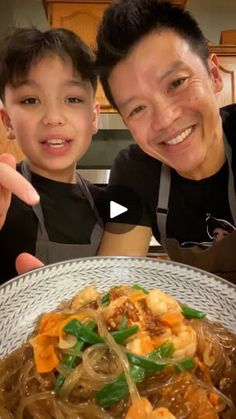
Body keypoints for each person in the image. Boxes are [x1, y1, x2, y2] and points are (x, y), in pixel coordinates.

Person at [96, 0, 236, 282]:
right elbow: (113, 279)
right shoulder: (131, 171)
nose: (164, 120)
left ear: (214, 75)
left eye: (176, 83)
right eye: (137, 109)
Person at [0, 27, 105, 283]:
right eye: (30, 101)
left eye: (72, 99)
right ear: (8, 122)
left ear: (93, 117)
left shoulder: (110, 204)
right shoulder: (4, 198)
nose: (53, 118)